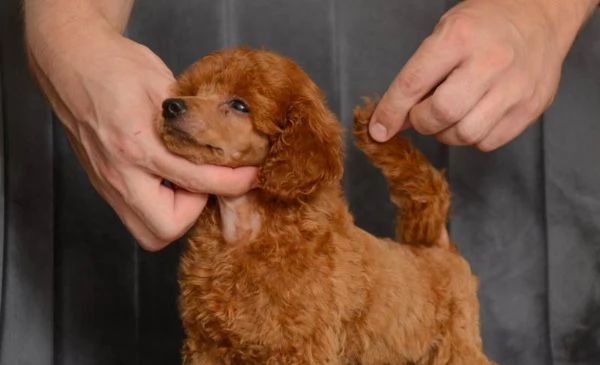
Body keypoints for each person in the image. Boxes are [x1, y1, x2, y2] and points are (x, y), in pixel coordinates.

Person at [23, 0, 597, 251]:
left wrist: (545, 8)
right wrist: (68, 30)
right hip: (93, 216)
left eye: (238, 106)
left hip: (509, 132)